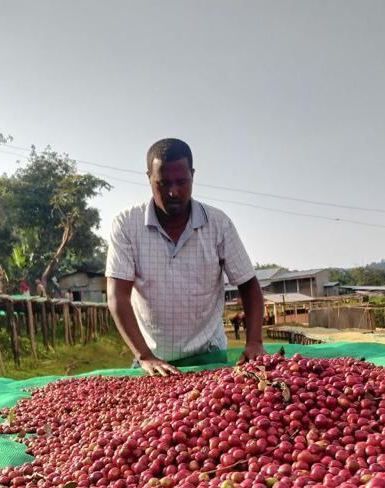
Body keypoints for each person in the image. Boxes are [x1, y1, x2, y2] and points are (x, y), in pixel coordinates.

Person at [106, 138, 265, 376]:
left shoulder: (218, 224)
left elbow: (249, 286)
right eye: (163, 183)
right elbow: (117, 295)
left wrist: (254, 341)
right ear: (149, 177)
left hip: (209, 355)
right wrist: (145, 356)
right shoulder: (127, 225)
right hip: (153, 358)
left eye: (182, 182)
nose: (174, 192)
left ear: (192, 175)